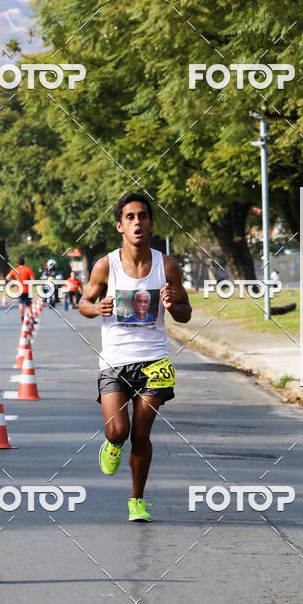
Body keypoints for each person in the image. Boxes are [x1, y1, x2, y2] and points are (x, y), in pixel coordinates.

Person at [79, 192, 192, 521]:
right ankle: (112, 444)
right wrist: (96, 307)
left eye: (143, 216)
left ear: (151, 223)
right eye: (130, 217)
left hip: (155, 361)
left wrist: (174, 305)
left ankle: (137, 500)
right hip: (115, 361)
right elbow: (84, 303)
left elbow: (185, 313)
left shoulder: (166, 265)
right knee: (119, 431)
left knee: (142, 435)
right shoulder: (106, 265)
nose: (137, 222)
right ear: (120, 226)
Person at [5, 256, 35, 322]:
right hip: (27, 290)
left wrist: (14, 281)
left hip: (19, 290)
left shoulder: (14, 270)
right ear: (24, 263)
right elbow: (33, 280)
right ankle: (32, 318)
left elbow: (7, 277)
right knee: (29, 305)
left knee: (21, 304)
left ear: (17, 263)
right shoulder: (28, 269)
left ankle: (22, 318)